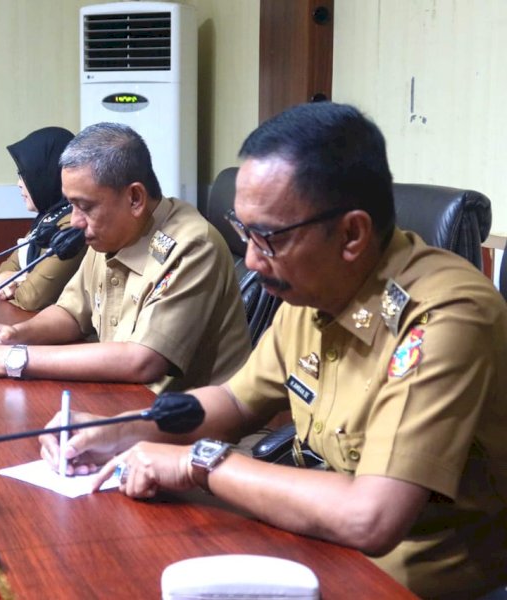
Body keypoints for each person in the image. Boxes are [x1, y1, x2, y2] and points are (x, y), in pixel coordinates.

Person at [39, 104, 507, 599]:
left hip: (407, 580)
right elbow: (236, 402)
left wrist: (200, 461)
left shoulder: (442, 316)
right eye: (245, 232)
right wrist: (121, 430)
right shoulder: (313, 286)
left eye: (268, 238)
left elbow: (371, 517)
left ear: (351, 234)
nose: (253, 261)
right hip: (313, 546)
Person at [0, 122, 251, 393]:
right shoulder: (108, 233)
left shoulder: (191, 245)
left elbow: (143, 360)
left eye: (85, 206)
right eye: (72, 205)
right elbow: (71, 313)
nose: (75, 221)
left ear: (134, 198)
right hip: (121, 407)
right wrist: (14, 335)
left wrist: (10, 359)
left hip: (197, 439)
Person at [0, 126, 86, 311]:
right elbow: (4, 270)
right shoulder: (47, 218)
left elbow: (32, 297)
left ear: (47, 174)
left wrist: (15, 282)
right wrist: (13, 279)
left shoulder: (73, 224)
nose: (19, 184)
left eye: (24, 175)